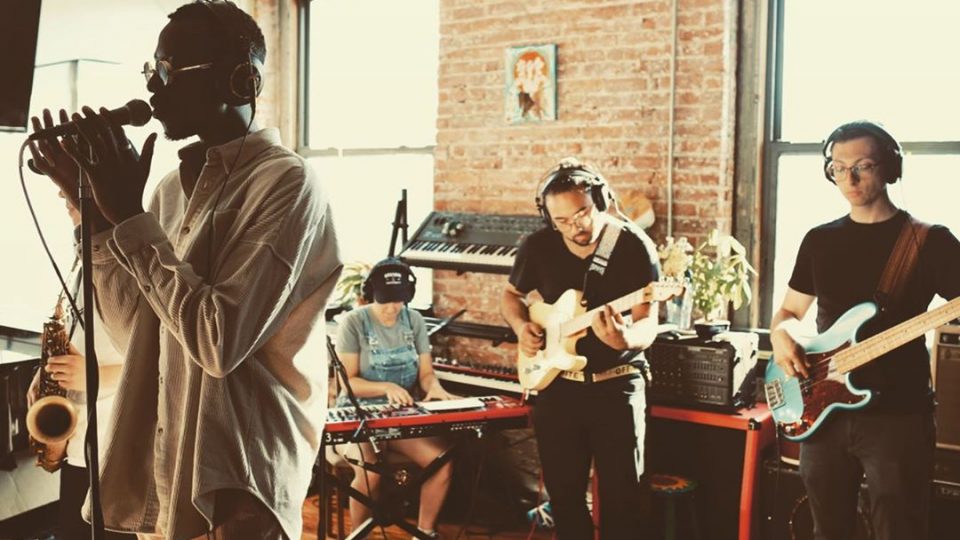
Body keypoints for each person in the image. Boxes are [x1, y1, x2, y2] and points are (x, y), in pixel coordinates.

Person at [26, 1, 342, 538]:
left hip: (242, 472)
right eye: (152, 71)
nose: (153, 90)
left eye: (168, 71)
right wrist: (95, 220)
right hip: (170, 462)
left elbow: (218, 343)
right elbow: (139, 335)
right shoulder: (172, 190)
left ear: (240, 80)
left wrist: (128, 214)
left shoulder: (287, 184)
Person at [770, 120, 960, 540]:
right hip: (822, 410)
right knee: (828, 529)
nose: (849, 178)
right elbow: (788, 312)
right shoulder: (819, 240)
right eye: (838, 167)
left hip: (898, 414)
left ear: (890, 169)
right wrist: (781, 335)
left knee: (901, 529)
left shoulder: (931, 241)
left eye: (863, 165)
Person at [499, 158, 659, 539]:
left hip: (616, 386)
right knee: (565, 499)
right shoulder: (538, 246)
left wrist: (625, 340)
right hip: (558, 387)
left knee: (623, 502)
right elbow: (511, 295)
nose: (576, 227)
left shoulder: (634, 245)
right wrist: (522, 325)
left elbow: (648, 322)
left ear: (600, 199)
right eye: (563, 222)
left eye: (583, 214)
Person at [25, 197, 134, 540]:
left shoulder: (133, 261)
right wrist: (48, 372)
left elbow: (166, 362)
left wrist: (93, 376)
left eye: (69, 182)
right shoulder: (79, 259)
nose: (60, 195)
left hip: (118, 453)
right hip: (78, 452)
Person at [333, 257, 456, 538]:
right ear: (370, 295)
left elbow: (426, 375)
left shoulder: (414, 321)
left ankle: (424, 533)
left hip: (400, 417)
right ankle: (358, 535)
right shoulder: (353, 322)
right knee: (370, 470)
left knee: (442, 460)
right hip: (357, 416)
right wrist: (385, 387)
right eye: (385, 301)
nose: (392, 308)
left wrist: (434, 387)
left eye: (399, 301)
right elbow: (347, 382)